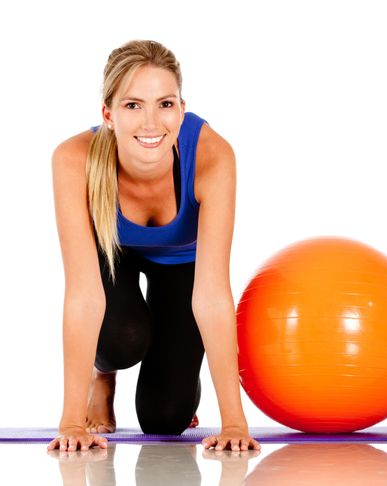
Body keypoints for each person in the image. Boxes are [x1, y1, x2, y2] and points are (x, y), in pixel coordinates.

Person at [47, 39, 261, 453]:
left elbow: (213, 295)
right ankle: (103, 378)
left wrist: (234, 421)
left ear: (181, 109)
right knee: (120, 337)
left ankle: (178, 366)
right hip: (114, 255)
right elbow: (83, 295)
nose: (151, 122)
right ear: (108, 114)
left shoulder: (212, 158)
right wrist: (72, 421)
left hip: (182, 264)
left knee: (164, 417)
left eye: (165, 104)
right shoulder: (73, 160)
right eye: (132, 105)